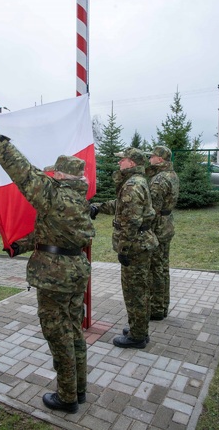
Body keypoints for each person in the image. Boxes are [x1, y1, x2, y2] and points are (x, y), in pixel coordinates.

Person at [0, 115, 95, 414]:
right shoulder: (80, 199)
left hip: (56, 276)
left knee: (58, 333)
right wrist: (21, 245)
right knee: (73, 330)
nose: (51, 175)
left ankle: (66, 398)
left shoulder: (54, 195)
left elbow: (23, 172)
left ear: (63, 176)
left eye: (56, 172)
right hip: (75, 270)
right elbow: (52, 233)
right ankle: (78, 389)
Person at [91, 147, 158, 349]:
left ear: (132, 162)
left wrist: (124, 249)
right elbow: (121, 205)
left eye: (123, 160)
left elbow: (131, 222)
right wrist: (98, 207)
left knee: (134, 292)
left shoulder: (131, 185)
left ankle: (137, 337)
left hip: (135, 246)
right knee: (140, 290)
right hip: (142, 243)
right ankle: (140, 328)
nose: (119, 163)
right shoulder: (136, 182)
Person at [146, 146, 179, 320]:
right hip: (167, 225)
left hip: (158, 226)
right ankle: (163, 305)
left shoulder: (159, 179)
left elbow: (152, 208)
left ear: (159, 159)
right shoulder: (172, 175)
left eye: (151, 156)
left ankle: (157, 308)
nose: (149, 159)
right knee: (163, 268)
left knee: (156, 269)